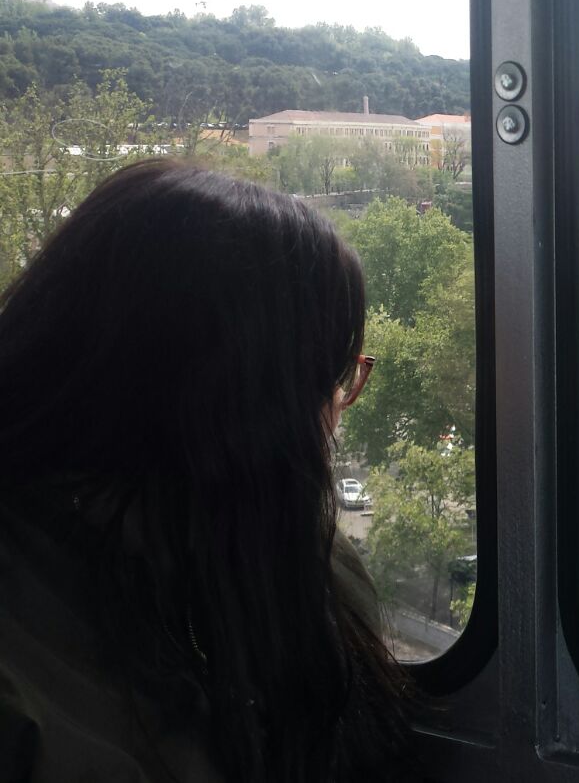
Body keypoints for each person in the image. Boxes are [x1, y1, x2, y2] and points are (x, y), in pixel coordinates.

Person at [0, 161, 416, 782]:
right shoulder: (304, 569)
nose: (340, 406)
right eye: (334, 378)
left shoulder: (294, 559)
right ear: (248, 411)